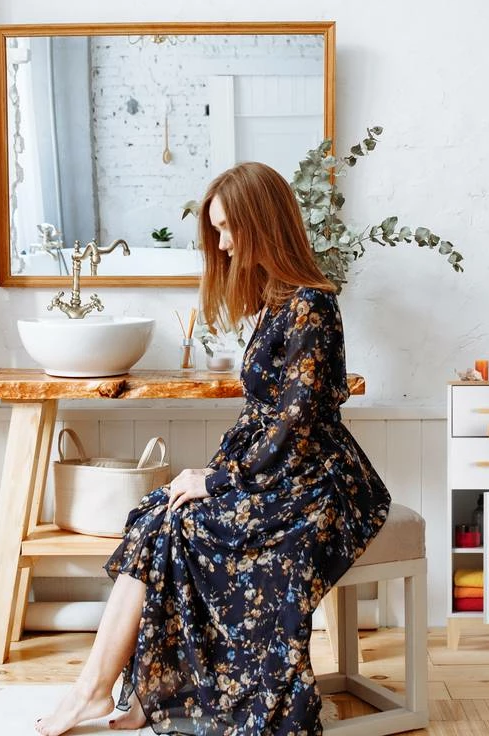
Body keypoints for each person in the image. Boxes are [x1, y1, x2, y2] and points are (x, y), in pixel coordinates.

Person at [36, 162, 391, 736]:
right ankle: (98, 691)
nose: (222, 245)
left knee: (188, 523)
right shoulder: (276, 304)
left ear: (261, 223)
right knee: (159, 516)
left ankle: (105, 693)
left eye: (228, 229)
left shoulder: (311, 304)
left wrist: (219, 481)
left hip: (323, 485)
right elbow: (267, 421)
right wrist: (217, 472)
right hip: (279, 472)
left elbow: (294, 425)